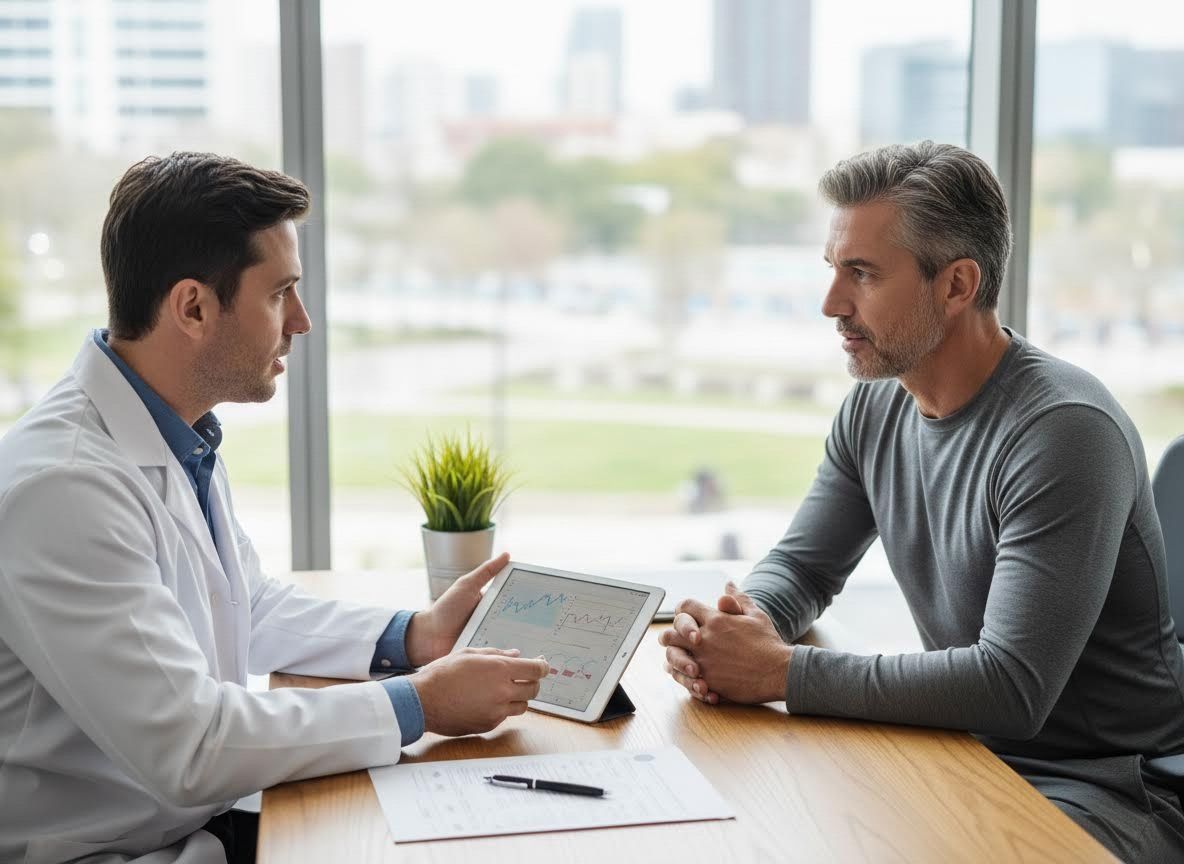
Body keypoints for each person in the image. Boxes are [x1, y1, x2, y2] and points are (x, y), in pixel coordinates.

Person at [0, 152, 548, 864]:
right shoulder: (63, 488)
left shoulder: (171, 429)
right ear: (193, 307)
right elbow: (190, 744)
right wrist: (420, 703)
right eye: (279, 293)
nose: (302, 321)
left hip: (187, 824)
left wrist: (416, 637)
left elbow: (242, 606)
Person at [659, 141, 1184, 862]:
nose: (831, 304)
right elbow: (805, 569)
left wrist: (778, 672)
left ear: (957, 285)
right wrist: (738, 625)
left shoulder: (1063, 433)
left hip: (1110, 786)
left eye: (863, 274)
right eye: (833, 269)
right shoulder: (876, 408)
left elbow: (1010, 687)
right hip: (966, 751)